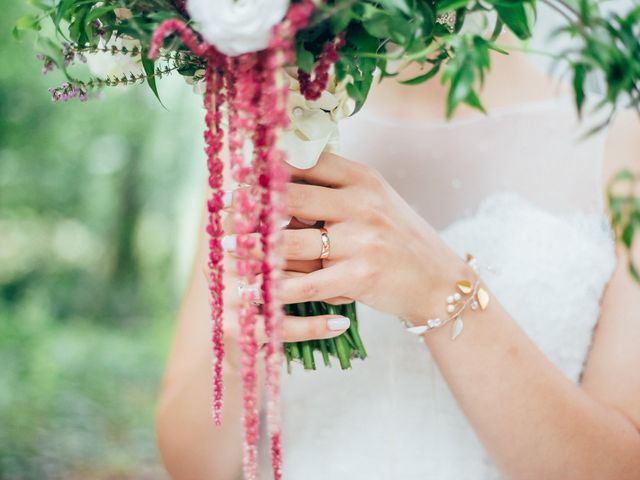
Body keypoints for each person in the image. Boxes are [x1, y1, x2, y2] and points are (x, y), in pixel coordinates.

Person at [154, 42, 640, 479]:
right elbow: (192, 465)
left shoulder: (621, 148)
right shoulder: (266, 137)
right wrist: (242, 354)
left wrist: (439, 289)